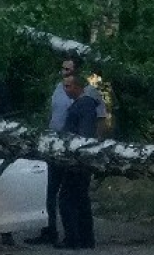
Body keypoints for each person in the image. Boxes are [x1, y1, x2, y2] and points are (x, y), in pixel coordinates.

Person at [25, 57, 106, 245]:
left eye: (68, 71)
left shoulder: (87, 100)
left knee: (69, 197)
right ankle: (68, 234)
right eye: (63, 69)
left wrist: (88, 149)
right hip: (58, 148)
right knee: (60, 193)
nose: (64, 76)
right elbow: (53, 114)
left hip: (74, 155)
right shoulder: (61, 91)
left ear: (77, 78)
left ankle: (74, 237)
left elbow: (88, 130)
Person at [56, 73, 97, 249]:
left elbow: (84, 133)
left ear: (78, 87)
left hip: (78, 160)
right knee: (80, 199)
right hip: (77, 158)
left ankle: (73, 238)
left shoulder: (85, 105)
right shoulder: (80, 105)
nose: (66, 90)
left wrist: (75, 152)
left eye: (68, 86)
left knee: (67, 199)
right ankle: (85, 238)